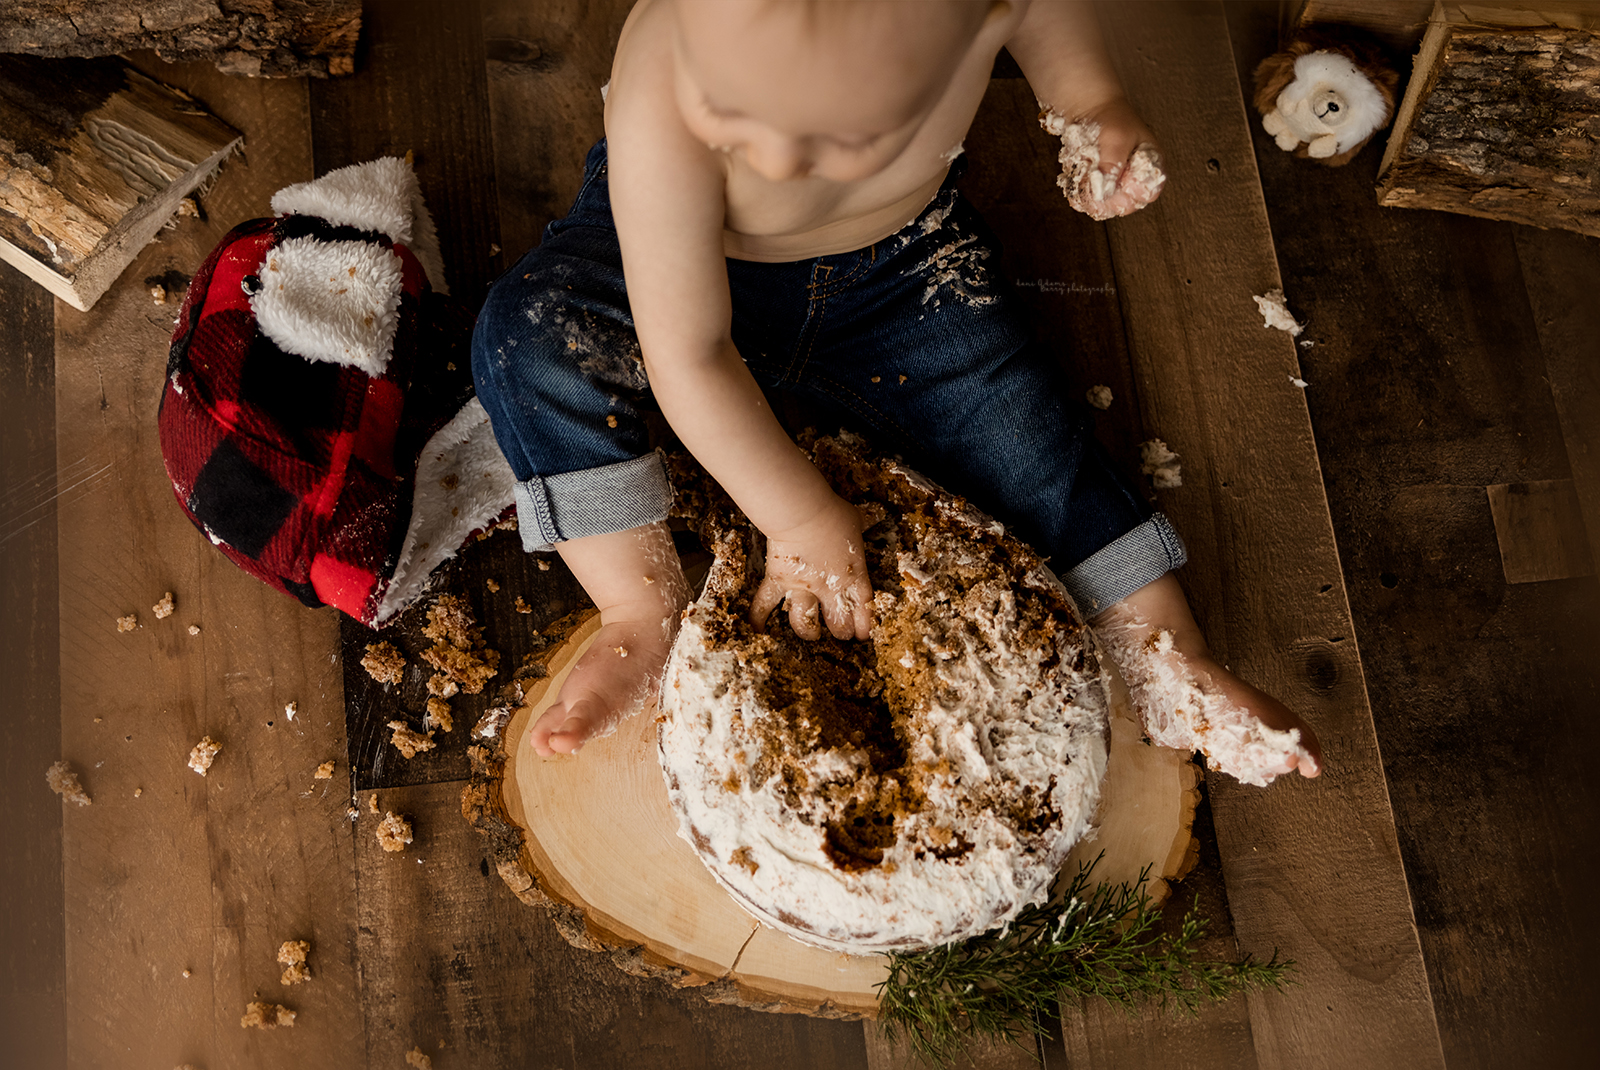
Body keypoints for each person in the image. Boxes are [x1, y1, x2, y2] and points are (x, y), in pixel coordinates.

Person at [471, 0, 1322, 783]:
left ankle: (1161, 649)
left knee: (1011, 419)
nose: (780, 161)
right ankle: (636, 604)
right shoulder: (670, 72)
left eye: (827, 144)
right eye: (747, 130)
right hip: (667, 264)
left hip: (903, 270)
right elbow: (689, 353)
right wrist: (798, 520)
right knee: (533, 340)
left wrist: (1089, 101)